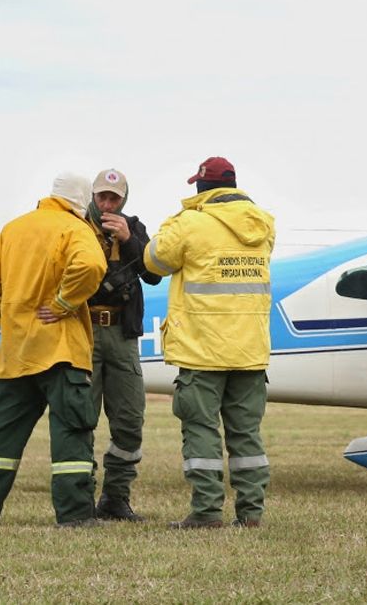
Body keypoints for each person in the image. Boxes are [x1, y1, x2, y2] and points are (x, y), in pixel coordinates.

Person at [142, 156, 276, 529]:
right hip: (250, 350)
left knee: (201, 430)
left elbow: (154, 261)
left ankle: (207, 511)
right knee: (246, 434)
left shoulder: (190, 224)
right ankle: (251, 513)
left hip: (202, 350)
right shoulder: (263, 224)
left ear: (201, 187)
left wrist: (174, 221)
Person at [0, 171, 108, 528]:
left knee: (2, 436)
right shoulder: (75, 229)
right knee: (71, 432)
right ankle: (74, 516)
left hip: (17, 352)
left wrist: (5, 318)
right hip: (61, 350)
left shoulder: (14, 228)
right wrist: (63, 303)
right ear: (82, 200)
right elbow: (92, 265)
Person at [81, 168, 162, 522]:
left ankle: (115, 498)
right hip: (83, 335)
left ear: (124, 199)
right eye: (102, 197)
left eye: (114, 198)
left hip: (122, 336)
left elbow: (154, 274)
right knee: (79, 418)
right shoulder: (77, 226)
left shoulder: (135, 227)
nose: (107, 204)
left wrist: (129, 239)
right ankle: (79, 501)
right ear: (92, 196)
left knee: (130, 419)